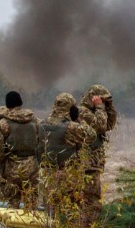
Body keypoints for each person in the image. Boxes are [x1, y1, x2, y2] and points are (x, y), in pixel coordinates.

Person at [38, 92, 97, 221]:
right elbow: (91, 136)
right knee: (70, 213)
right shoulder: (71, 127)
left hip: (47, 175)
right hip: (68, 175)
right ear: (71, 108)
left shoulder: (41, 124)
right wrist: (79, 119)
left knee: (49, 212)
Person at [0, 91, 40, 208]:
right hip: (33, 170)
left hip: (12, 171)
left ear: (7, 105)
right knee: (32, 206)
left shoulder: (4, 124)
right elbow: (43, 142)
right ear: (20, 102)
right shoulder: (35, 121)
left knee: (12, 206)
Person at [77, 85, 117, 226]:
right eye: (101, 100)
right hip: (86, 162)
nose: (102, 103)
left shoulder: (96, 112)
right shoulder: (82, 111)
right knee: (91, 199)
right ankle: (89, 224)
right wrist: (100, 107)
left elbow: (109, 125)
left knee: (92, 198)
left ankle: (90, 223)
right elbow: (100, 126)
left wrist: (109, 107)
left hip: (93, 162)